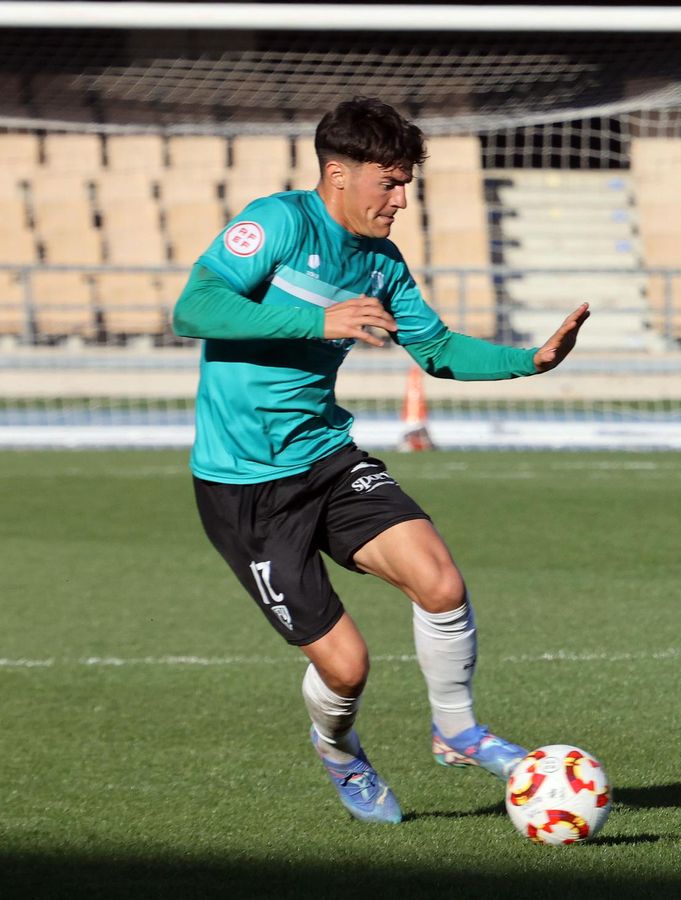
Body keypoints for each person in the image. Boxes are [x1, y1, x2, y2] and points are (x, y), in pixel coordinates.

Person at [171, 98, 590, 824]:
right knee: (346, 668)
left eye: (406, 185)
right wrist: (314, 318)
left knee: (439, 579)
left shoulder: (382, 263)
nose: (400, 201)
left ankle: (456, 731)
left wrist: (530, 360)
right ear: (338, 174)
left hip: (326, 457)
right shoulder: (277, 223)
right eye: (388, 183)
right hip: (245, 487)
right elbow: (195, 308)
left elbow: (437, 349)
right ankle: (338, 751)